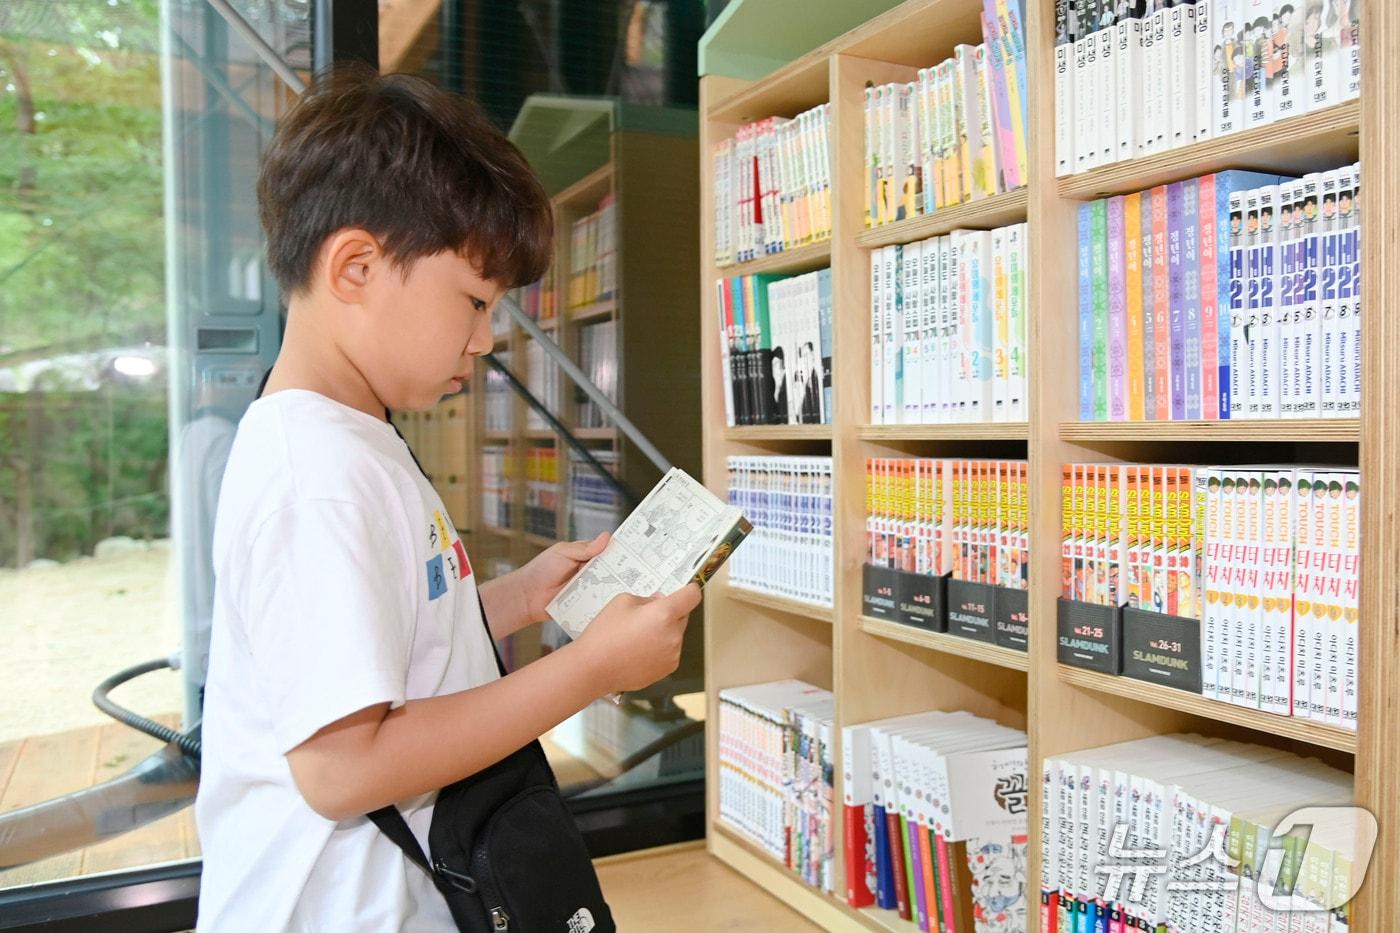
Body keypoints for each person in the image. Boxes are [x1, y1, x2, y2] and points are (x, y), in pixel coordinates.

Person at [194, 68, 701, 931]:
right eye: (473, 300)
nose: (487, 336)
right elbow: (345, 768)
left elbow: (383, 637)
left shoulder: (353, 434)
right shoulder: (314, 475)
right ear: (354, 267)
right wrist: (590, 670)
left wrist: (518, 597)